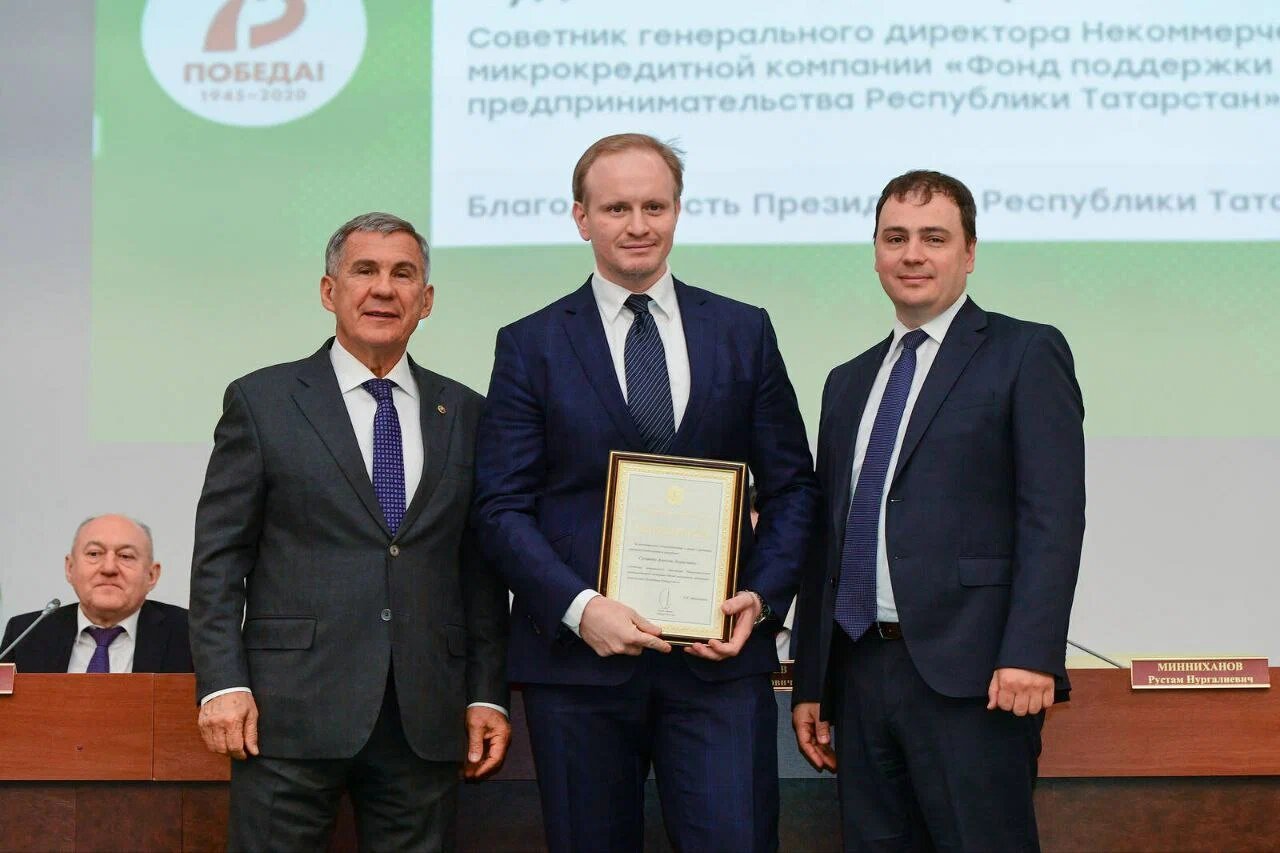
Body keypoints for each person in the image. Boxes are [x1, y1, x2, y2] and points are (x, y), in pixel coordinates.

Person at [473, 133, 818, 852]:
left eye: (654, 206)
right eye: (616, 208)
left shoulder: (744, 331)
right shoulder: (530, 343)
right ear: (581, 218)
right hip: (579, 668)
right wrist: (580, 609)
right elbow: (501, 507)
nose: (638, 224)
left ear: (677, 211)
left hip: (719, 667)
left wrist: (760, 599)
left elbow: (792, 488)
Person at [189, 212, 510, 851]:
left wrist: (486, 694)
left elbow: (480, 571)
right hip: (286, 712)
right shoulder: (263, 401)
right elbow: (220, 560)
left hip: (425, 716)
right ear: (329, 291)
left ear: (426, 300)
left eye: (403, 274)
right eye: (365, 270)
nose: (384, 288)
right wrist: (223, 683)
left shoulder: (467, 412)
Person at [791, 170, 1085, 852]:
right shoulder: (847, 381)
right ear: (875, 252)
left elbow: (1053, 515)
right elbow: (827, 540)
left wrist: (1031, 653)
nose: (912, 254)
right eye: (895, 238)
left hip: (977, 678)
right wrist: (813, 680)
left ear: (969, 252)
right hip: (860, 673)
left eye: (934, 237)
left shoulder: (1025, 352)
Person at [0, 514, 192, 673]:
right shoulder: (26, 635)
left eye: (126, 556)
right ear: (70, 568)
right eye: (94, 554)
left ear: (152, 575)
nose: (109, 568)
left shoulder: (190, 634)